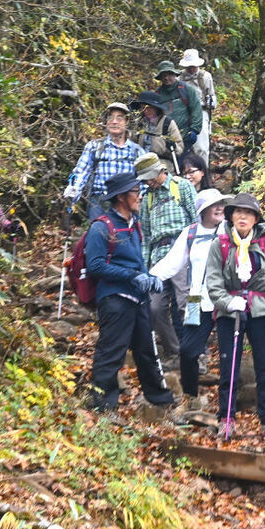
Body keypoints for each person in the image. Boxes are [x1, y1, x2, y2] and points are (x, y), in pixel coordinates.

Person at [84, 171, 174, 412]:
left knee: (146, 351)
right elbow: (95, 265)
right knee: (111, 353)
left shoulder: (134, 225)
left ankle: (160, 400)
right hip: (114, 301)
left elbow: (137, 262)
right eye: (136, 192)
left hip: (138, 299)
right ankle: (103, 406)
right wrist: (134, 276)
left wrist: (149, 277)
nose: (140, 196)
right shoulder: (101, 228)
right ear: (122, 197)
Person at [205, 193, 265, 439]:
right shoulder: (219, 245)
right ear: (231, 216)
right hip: (229, 312)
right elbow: (213, 283)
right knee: (228, 364)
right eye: (238, 212)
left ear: (255, 218)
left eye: (249, 213)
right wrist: (228, 301)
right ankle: (226, 417)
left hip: (260, 309)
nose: (243, 216)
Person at [151, 188, 229, 407]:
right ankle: (190, 395)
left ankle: (226, 406)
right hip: (198, 301)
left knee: (226, 353)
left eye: (221, 204)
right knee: (188, 351)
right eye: (214, 205)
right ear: (202, 210)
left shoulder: (229, 231)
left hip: (225, 301)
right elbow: (171, 263)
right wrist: (149, 277)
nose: (219, 208)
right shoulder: (190, 233)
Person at [134, 153, 198, 371]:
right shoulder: (147, 199)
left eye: (150, 176)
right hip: (158, 258)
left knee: (187, 304)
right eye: (144, 179)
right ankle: (175, 351)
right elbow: (146, 235)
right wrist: (144, 267)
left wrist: (198, 252)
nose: (148, 182)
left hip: (183, 252)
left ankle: (197, 355)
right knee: (154, 308)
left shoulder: (182, 187)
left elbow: (196, 219)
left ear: (160, 171)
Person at [64, 103, 142, 219]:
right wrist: (72, 193)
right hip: (99, 204)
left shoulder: (137, 151)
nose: (114, 121)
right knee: (99, 233)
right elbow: (81, 173)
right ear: (106, 122)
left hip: (126, 203)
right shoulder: (95, 147)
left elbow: (143, 182)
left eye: (119, 117)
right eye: (110, 117)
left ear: (127, 122)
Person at [154, 60, 203, 159]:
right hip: (165, 138)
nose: (166, 78)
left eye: (169, 74)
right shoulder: (157, 94)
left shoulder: (186, 89)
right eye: (163, 75)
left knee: (183, 164)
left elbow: (196, 110)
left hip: (185, 135)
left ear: (174, 74)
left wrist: (194, 130)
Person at [129, 91, 184, 174]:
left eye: (150, 108)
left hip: (162, 164)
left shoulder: (167, 123)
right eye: (143, 107)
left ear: (156, 108)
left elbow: (179, 149)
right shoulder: (139, 123)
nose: (146, 111)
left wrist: (172, 145)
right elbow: (131, 143)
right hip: (142, 163)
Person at [179, 48, 217, 165]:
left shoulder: (205, 77)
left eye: (193, 65)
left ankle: (203, 173)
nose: (191, 68)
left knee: (201, 146)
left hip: (201, 111)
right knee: (183, 145)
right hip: (184, 113)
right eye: (189, 66)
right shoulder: (179, 78)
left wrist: (211, 103)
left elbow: (211, 95)